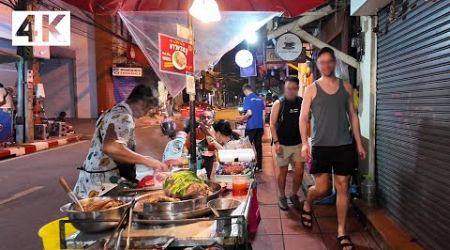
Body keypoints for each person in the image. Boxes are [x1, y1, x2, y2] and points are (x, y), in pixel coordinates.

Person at [300, 47, 366, 250]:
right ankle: (308, 203)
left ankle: (341, 230)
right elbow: (303, 118)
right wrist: (304, 143)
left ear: (334, 63)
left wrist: (359, 142)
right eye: (322, 62)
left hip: (344, 145)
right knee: (322, 188)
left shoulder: (346, 87)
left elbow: (353, 116)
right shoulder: (311, 89)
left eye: (329, 61)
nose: (326, 65)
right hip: (320, 145)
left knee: (343, 187)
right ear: (317, 65)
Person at [74, 85, 168, 198]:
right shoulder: (124, 117)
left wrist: (146, 159)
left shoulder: (112, 111)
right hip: (103, 186)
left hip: (89, 182)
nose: (146, 113)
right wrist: (147, 161)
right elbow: (111, 147)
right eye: (149, 109)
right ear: (143, 103)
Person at [270, 76, 305, 211]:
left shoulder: (302, 102)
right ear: (285, 88)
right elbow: (272, 124)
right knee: (283, 172)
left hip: (298, 143)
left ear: (297, 89)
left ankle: (294, 194)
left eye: (294, 89)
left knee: (300, 171)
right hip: (282, 144)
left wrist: (306, 141)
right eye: (288, 88)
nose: (291, 91)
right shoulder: (279, 103)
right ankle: (282, 196)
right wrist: (276, 143)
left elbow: (306, 121)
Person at [237, 85, 265, 171]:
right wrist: (262, 126)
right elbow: (263, 114)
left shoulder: (247, 99)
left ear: (245, 91)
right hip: (259, 126)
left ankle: (248, 167)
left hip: (251, 126)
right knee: (258, 146)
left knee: (247, 146)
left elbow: (249, 113)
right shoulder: (260, 99)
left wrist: (242, 119)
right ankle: (259, 166)